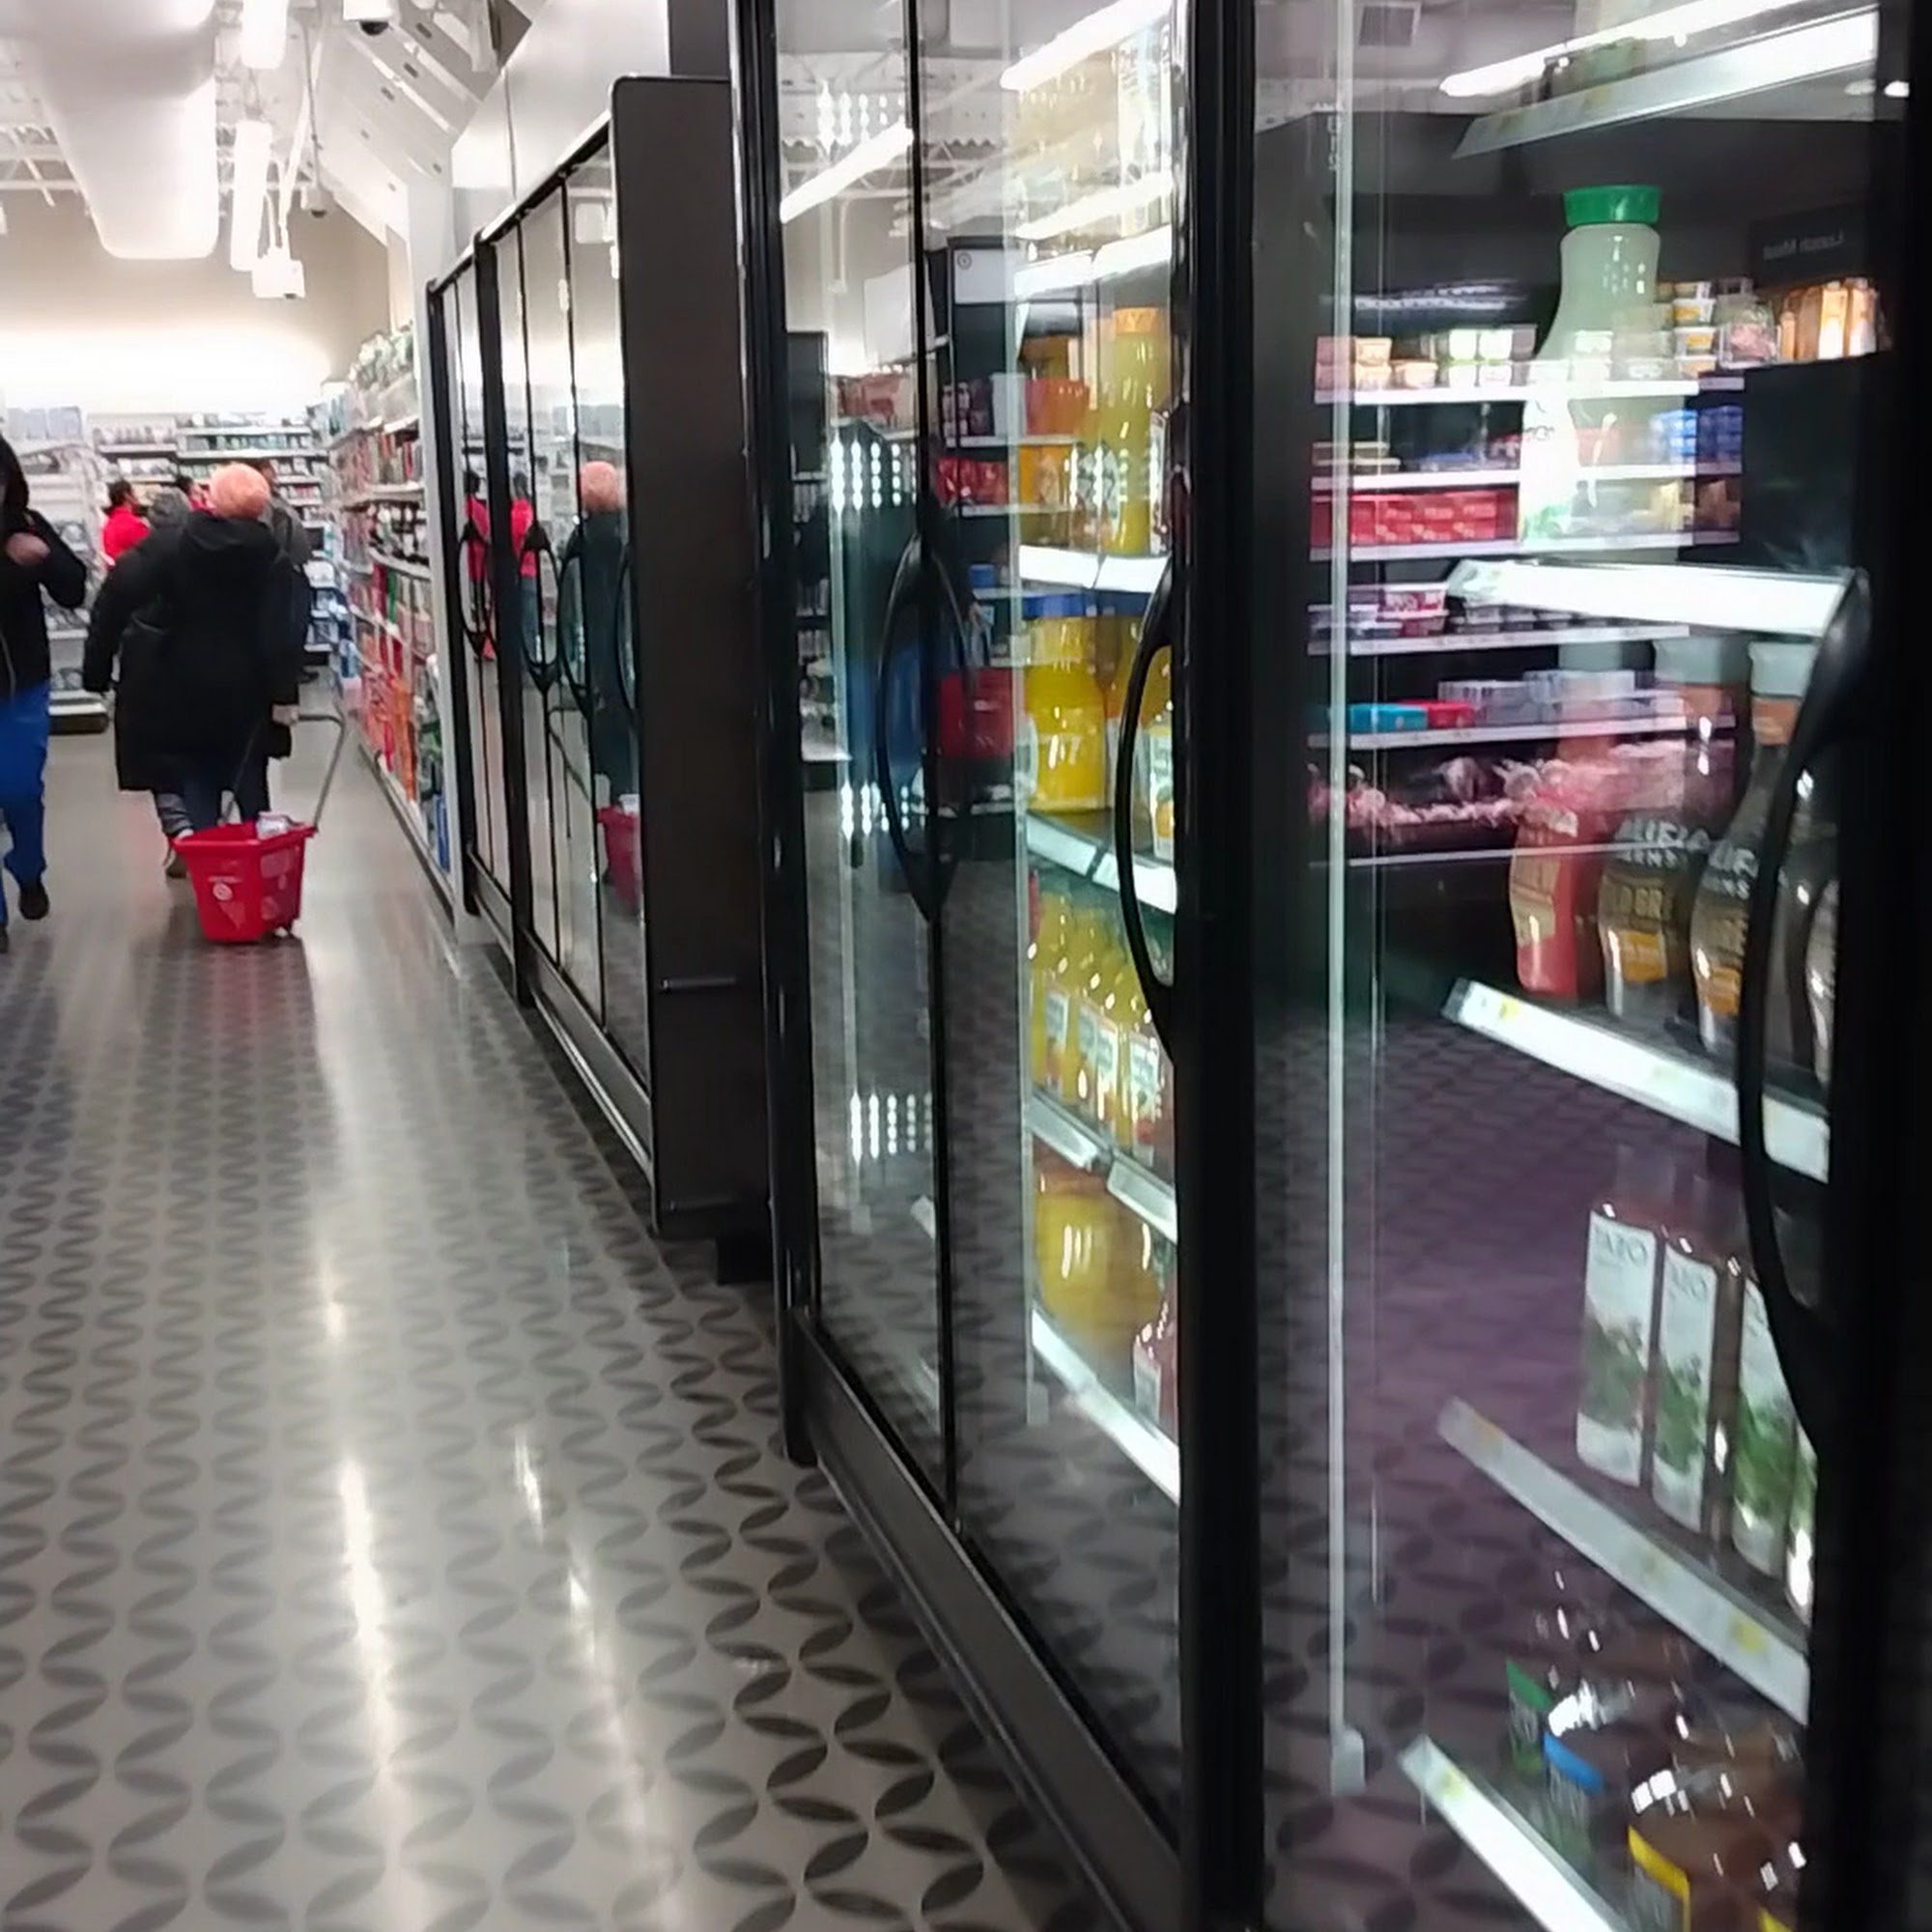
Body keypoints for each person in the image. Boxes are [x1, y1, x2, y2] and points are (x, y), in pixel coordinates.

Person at [82, 463, 302, 865]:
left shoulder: (170, 545)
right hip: (247, 692)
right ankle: (258, 871)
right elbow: (279, 634)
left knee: (197, 780)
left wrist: (96, 670)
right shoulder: (272, 557)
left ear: (210, 499)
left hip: (181, 687)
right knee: (250, 783)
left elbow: (115, 597)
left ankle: (211, 872)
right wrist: (283, 695)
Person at [0, 438, 88, 951]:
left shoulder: (28, 524)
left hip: (22, 686)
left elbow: (74, 589)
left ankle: (28, 867)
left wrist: (45, 558)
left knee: (19, 790)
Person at [101, 478, 149, 562]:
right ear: (127, 495)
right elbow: (150, 552)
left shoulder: (108, 524)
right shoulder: (134, 524)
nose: (137, 496)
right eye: (133, 492)